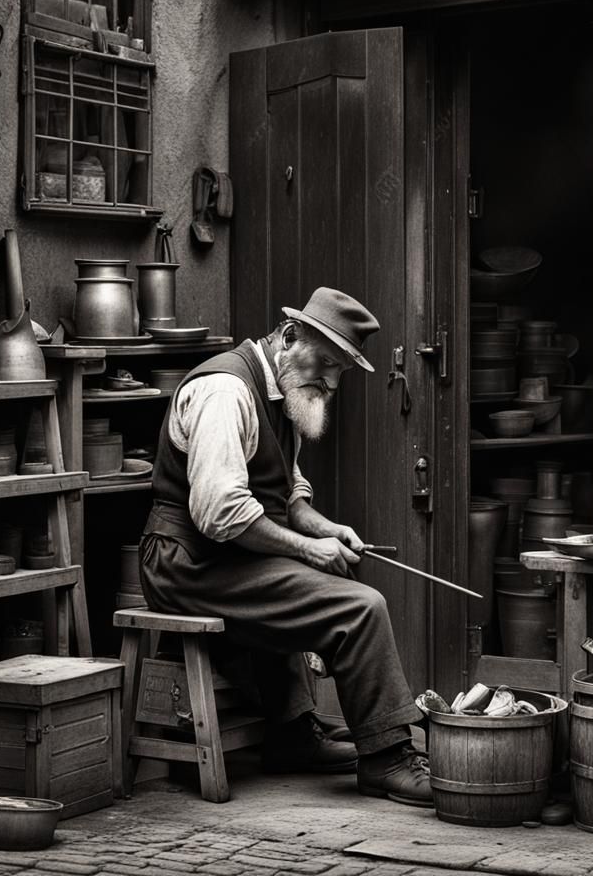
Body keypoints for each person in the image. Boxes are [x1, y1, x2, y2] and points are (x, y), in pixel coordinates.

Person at [140, 287, 432, 807]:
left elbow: (286, 497)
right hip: (186, 562)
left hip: (226, 556)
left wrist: (325, 530)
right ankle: (387, 760)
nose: (331, 381)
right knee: (361, 608)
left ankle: (293, 733)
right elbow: (219, 512)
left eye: (340, 370)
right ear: (290, 336)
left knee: (332, 576)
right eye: (326, 363)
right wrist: (304, 550)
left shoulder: (287, 392)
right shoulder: (225, 391)